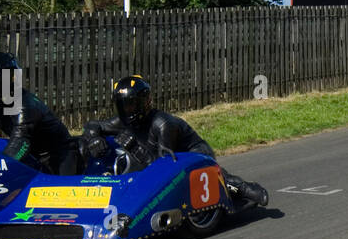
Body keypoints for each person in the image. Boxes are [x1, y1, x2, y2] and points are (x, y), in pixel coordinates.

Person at [82, 76, 269, 207]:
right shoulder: (122, 121)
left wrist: (135, 148)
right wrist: (93, 140)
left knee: (206, 177)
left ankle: (244, 188)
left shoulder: (163, 124)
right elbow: (92, 126)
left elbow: (164, 169)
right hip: (159, 157)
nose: (127, 109)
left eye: (131, 104)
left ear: (143, 103)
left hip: (193, 153)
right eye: (123, 105)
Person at [0, 50, 77, 175]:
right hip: (32, 155)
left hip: (58, 153)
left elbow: (20, 143)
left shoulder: (25, 104)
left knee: (59, 188)